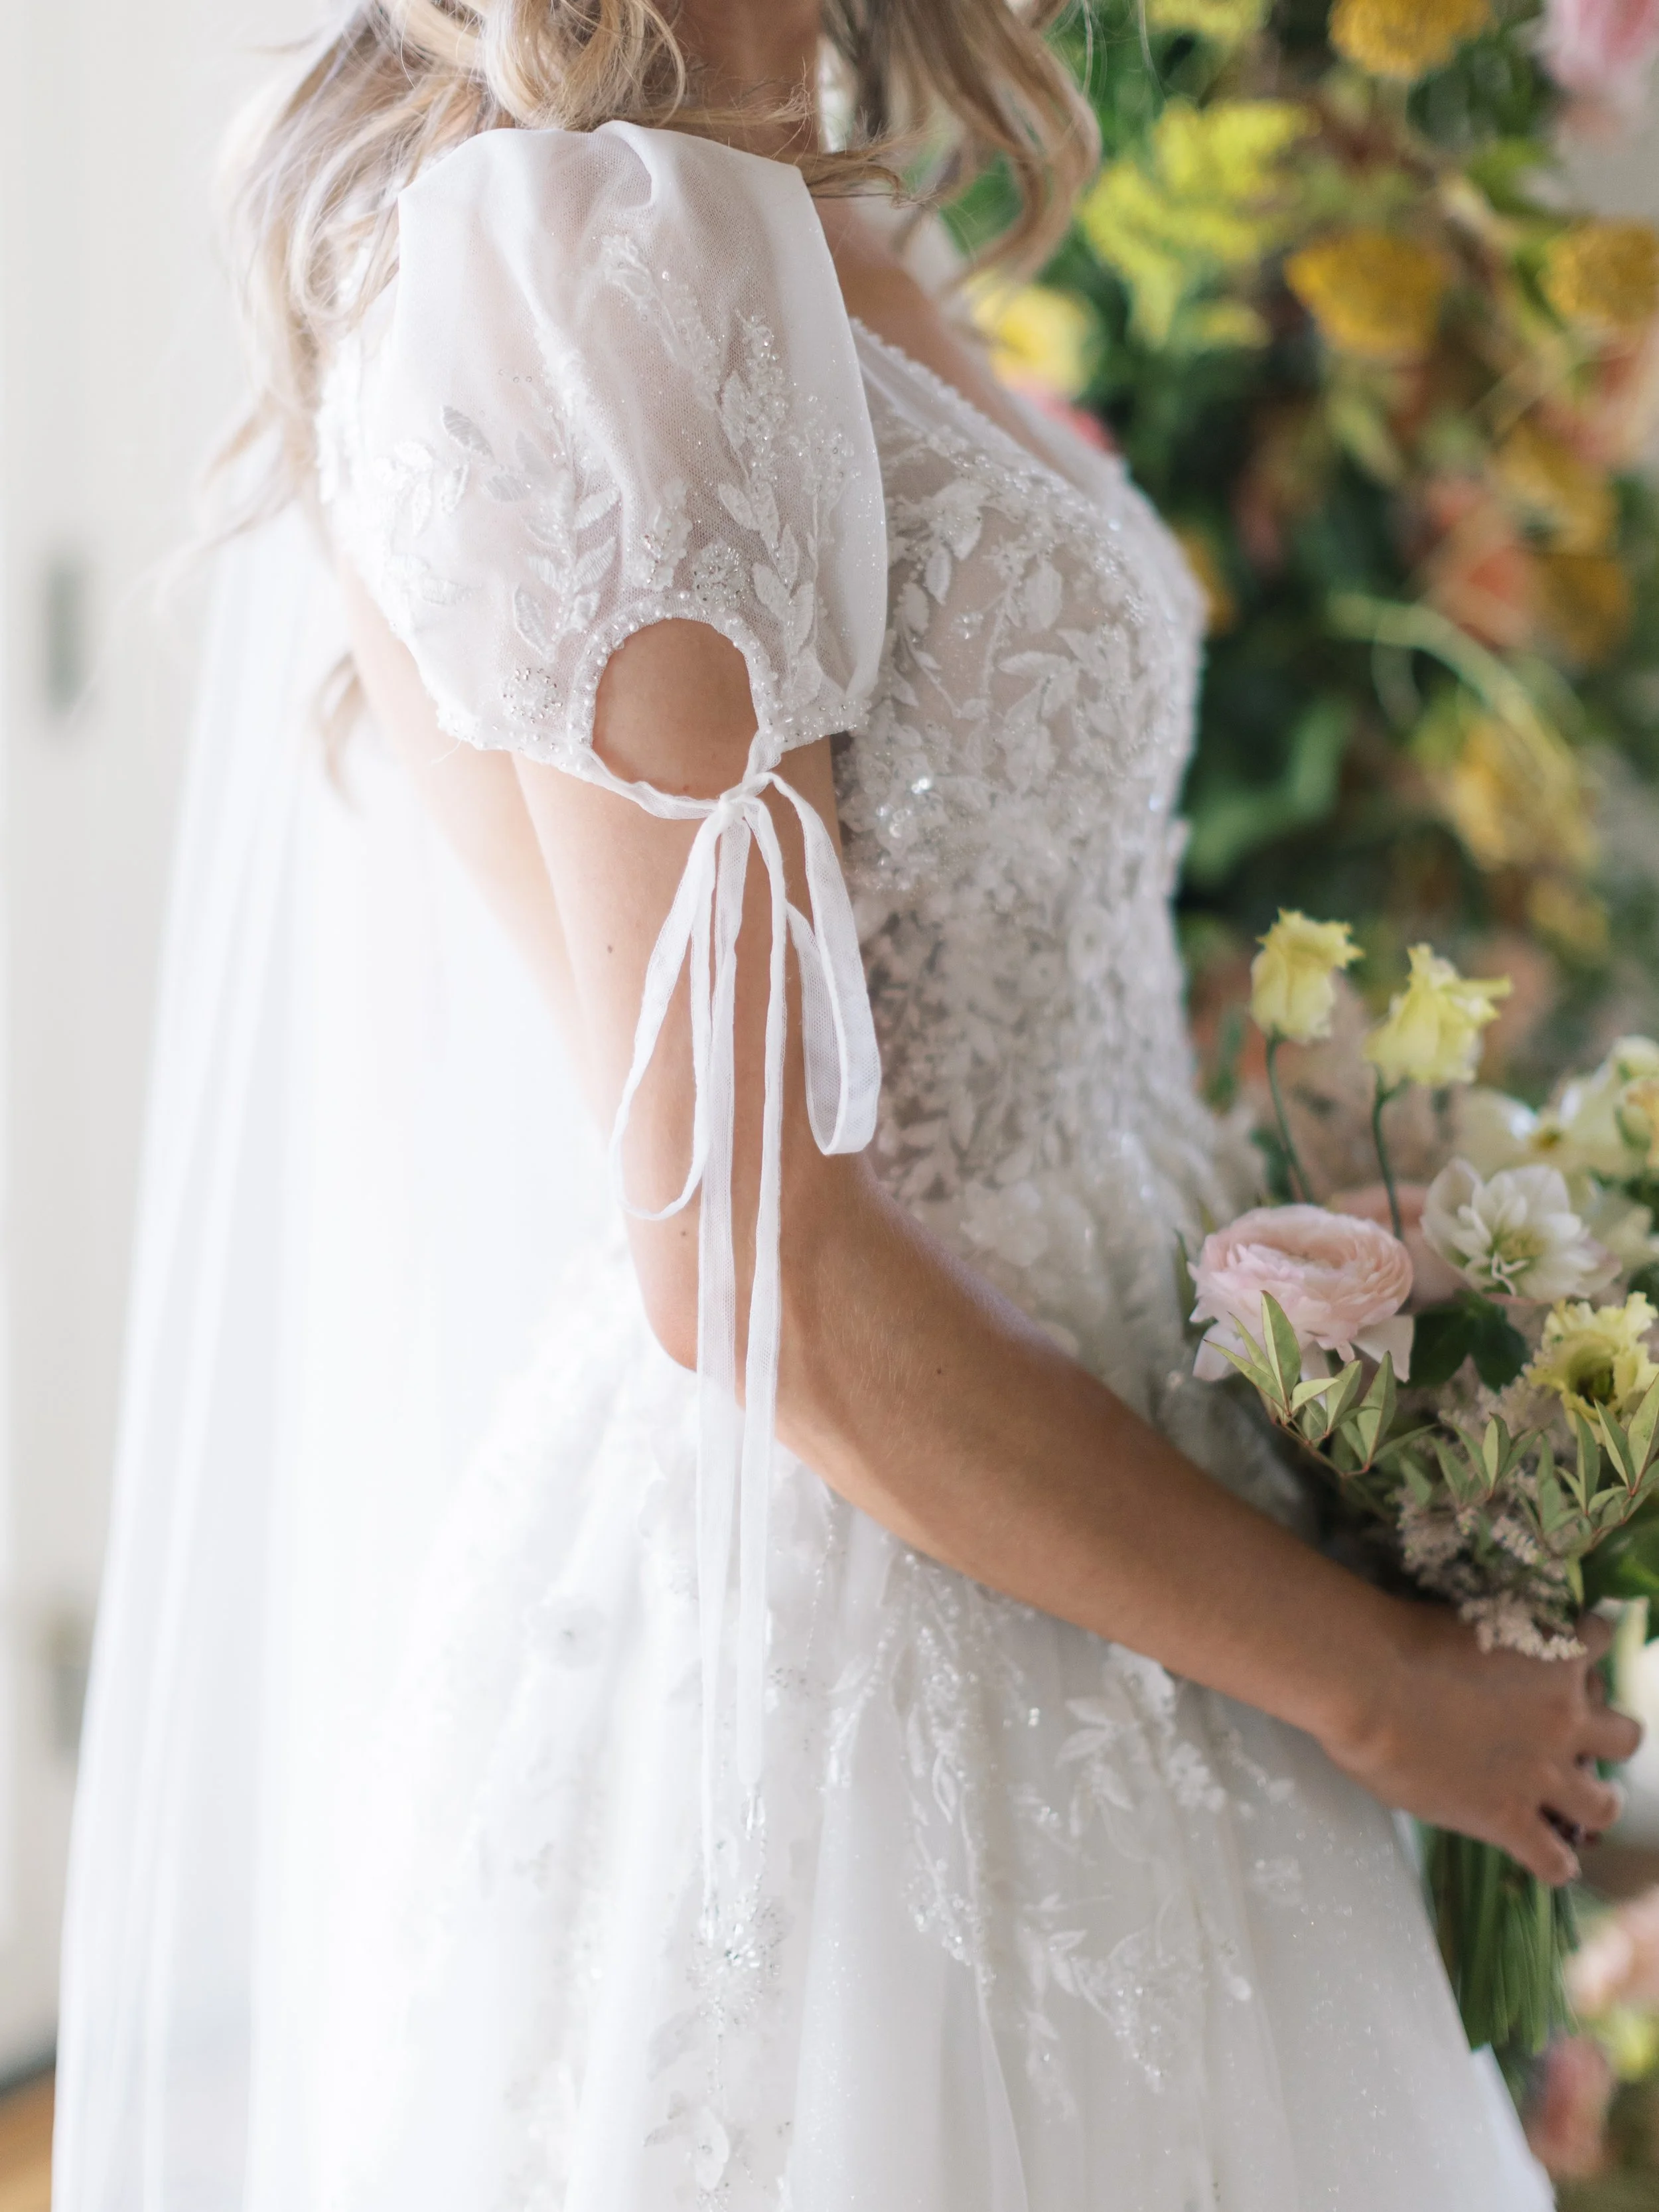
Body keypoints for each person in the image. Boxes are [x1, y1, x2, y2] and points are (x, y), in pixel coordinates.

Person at [54, 2, 1638, 2205]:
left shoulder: (808, 188)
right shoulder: (610, 258)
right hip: (893, 1593)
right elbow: (753, 1268)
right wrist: (1372, 1686)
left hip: (1119, 1491)